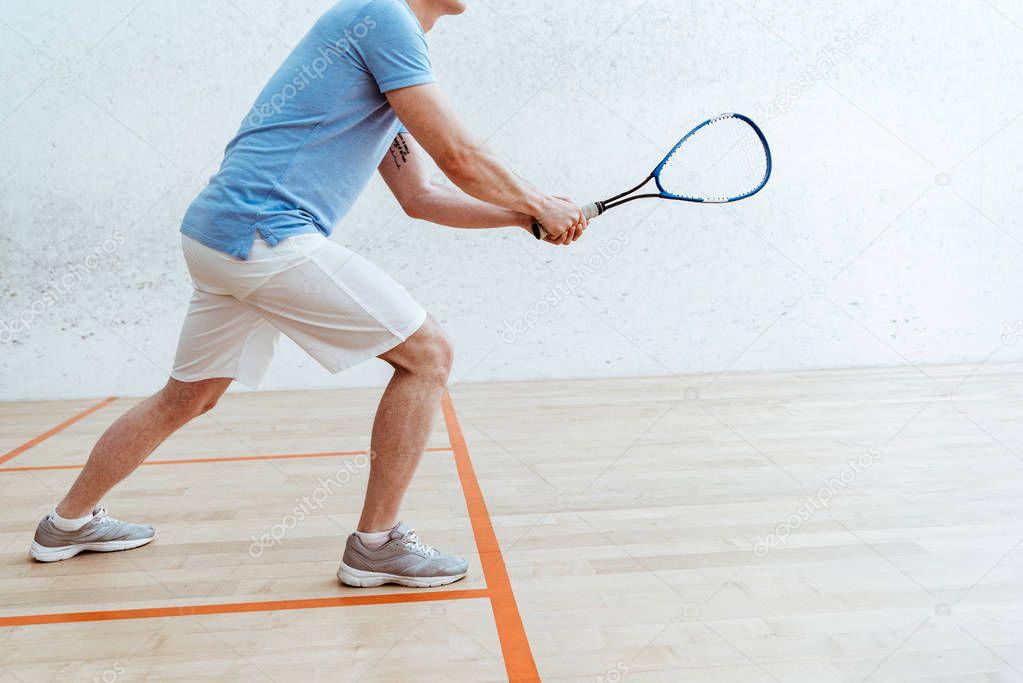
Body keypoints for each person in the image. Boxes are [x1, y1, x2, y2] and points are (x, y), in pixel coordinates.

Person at [29, 0, 586, 587]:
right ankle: (376, 545)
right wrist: (539, 202)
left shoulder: (384, 40)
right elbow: (460, 156)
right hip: (265, 233)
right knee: (429, 355)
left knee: (186, 397)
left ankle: (64, 525)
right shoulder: (386, 18)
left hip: (221, 236)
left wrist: (523, 218)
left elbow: (420, 194)